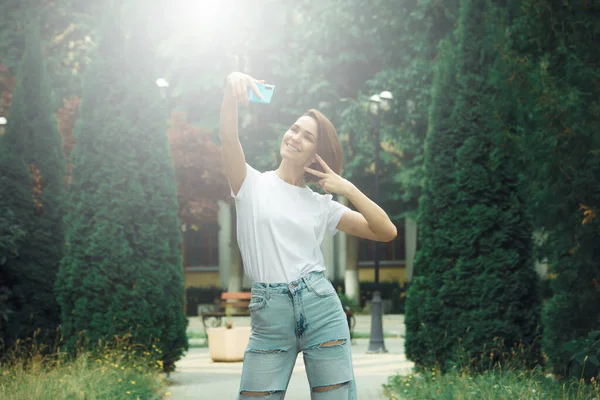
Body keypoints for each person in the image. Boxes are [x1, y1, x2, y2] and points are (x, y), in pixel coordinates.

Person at [220, 72, 397, 400]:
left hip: (320, 307)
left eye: (307, 136)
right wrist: (232, 91)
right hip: (269, 313)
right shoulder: (250, 183)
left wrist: (347, 188)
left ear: (318, 152)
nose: (295, 137)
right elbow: (229, 139)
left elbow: (386, 230)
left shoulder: (322, 206)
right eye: (294, 129)